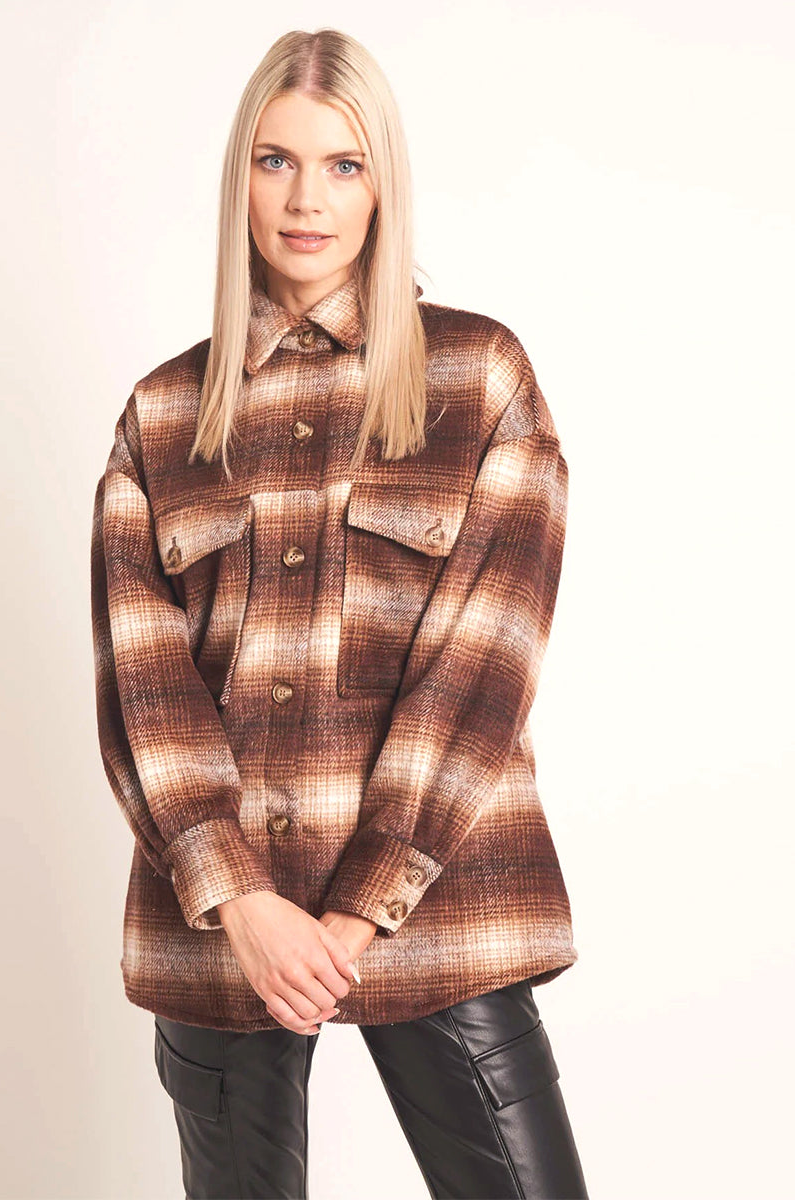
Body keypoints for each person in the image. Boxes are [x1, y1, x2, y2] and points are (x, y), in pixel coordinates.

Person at [90, 26, 589, 1200]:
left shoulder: (480, 378)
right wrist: (241, 898)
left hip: (444, 902)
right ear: (240, 178)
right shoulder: (162, 418)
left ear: (382, 184)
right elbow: (143, 687)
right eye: (276, 161)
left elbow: (484, 663)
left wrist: (365, 905)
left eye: (343, 164)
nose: (306, 199)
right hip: (227, 931)